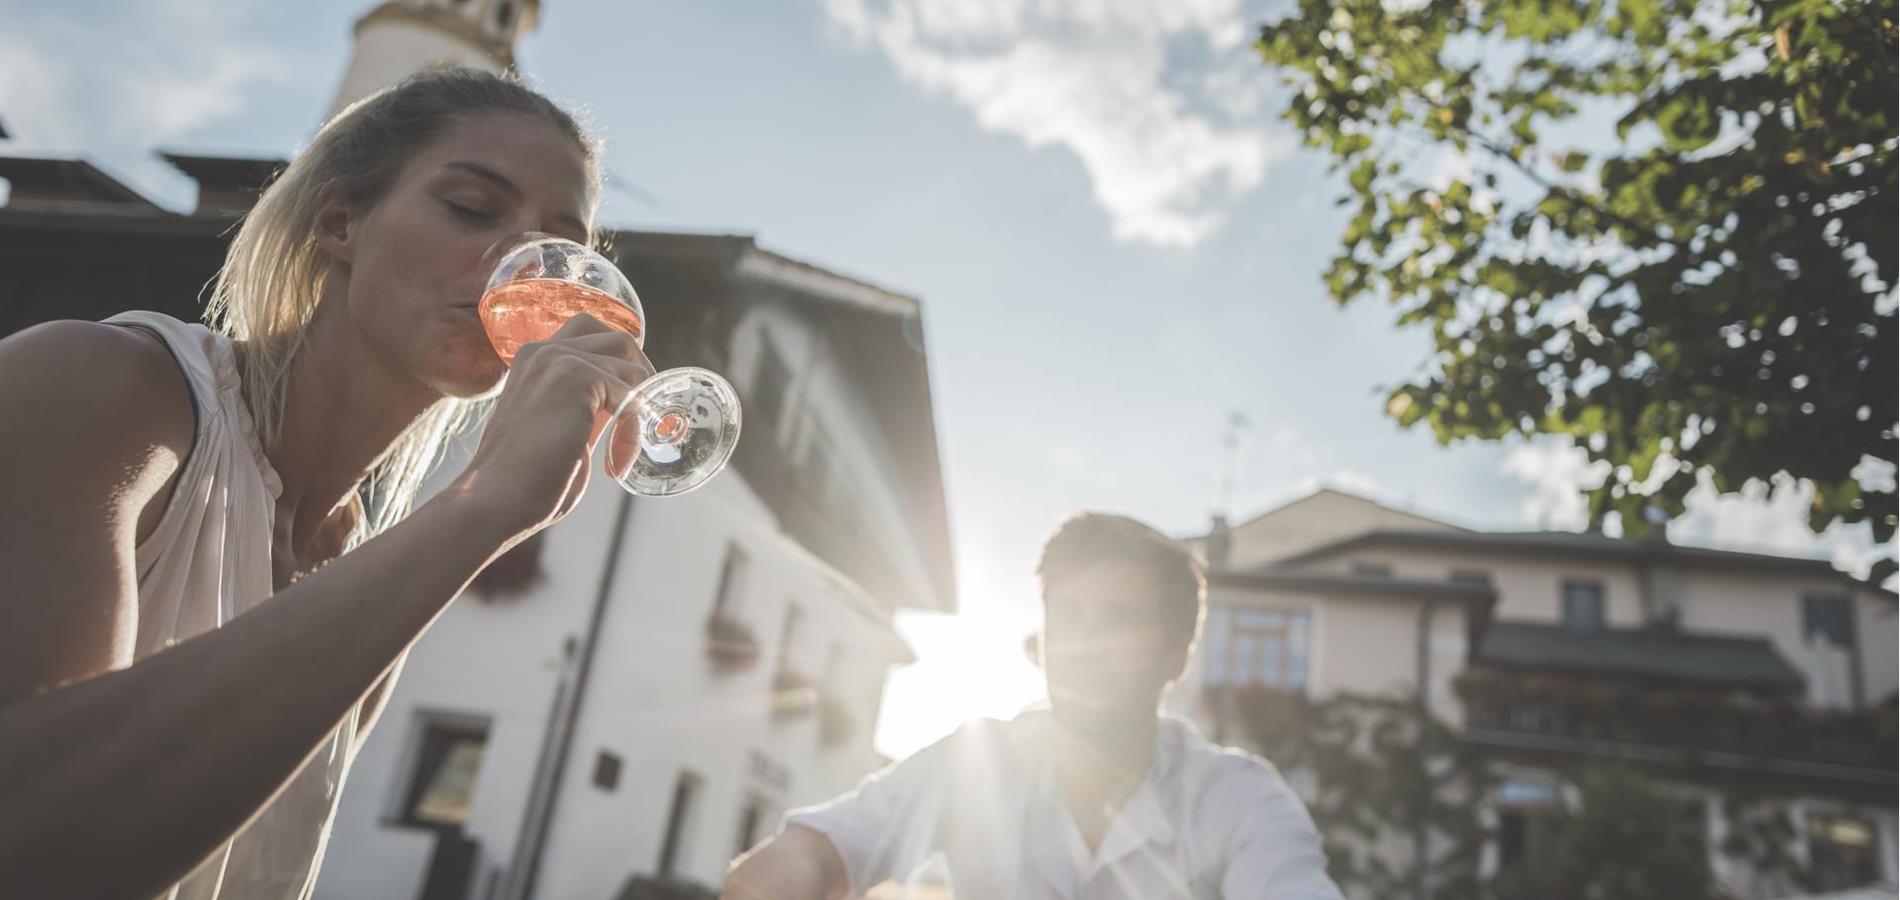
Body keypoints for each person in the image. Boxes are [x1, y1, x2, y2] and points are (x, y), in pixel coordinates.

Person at [0, 68, 653, 900]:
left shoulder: (359, 570)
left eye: (564, 244)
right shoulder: (102, 387)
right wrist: (482, 506)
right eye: (473, 209)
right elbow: (27, 842)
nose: (524, 265)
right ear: (340, 222)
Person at [725, 513, 1344, 900]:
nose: (1084, 644)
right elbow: (811, 851)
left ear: (1176, 656)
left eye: (1119, 620)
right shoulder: (975, 762)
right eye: (1067, 617)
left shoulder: (1237, 798)